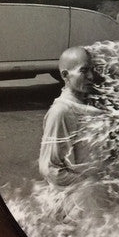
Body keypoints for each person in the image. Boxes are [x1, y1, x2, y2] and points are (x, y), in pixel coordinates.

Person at [38, 47, 100, 186]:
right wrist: (89, 186)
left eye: (92, 70)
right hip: (82, 193)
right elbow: (50, 169)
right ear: (65, 75)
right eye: (84, 71)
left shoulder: (87, 103)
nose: (91, 76)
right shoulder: (62, 111)